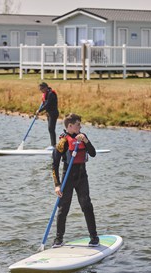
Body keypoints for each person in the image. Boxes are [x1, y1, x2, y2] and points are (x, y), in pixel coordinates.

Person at [51, 113, 99, 248]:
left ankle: (94, 237)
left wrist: (86, 141)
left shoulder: (83, 137)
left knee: (87, 205)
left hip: (82, 176)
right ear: (70, 126)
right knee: (63, 208)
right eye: (78, 124)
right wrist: (57, 185)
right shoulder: (63, 142)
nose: (81, 126)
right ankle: (58, 239)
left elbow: (93, 153)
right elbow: (54, 164)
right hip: (68, 177)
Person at [37, 82, 59, 147]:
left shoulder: (51, 94)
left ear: (45, 88)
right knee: (50, 129)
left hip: (53, 113)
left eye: (41, 89)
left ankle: (54, 145)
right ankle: (53, 144)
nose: (40, 91)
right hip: (49, 113)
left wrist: (39, 111)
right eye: (40, 89)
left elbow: (47, 105)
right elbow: (44, 104)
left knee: (51, 128)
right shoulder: (46, 94)